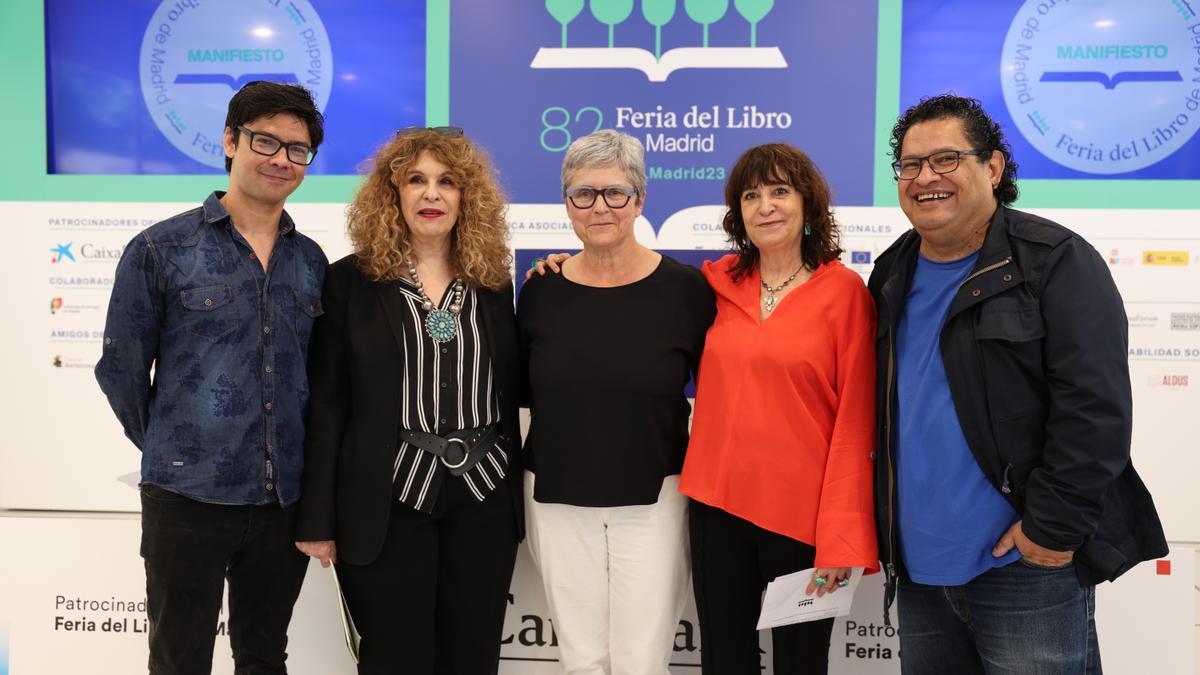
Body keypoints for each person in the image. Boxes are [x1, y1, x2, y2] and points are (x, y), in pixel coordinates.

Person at [870, 93, 1168, 673]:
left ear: (994, 167)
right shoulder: (891, 271)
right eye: (910, 164)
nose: (925, 177)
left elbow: (1096, 413)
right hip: (919, 571)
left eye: (947, 159)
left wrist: (1050, 532)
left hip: (1022, 572)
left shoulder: (1055, 261)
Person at [95, 81, 326, 675]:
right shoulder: (159, 249)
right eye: (265, 141)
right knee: (178, 660)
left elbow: (317, 378)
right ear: (230, 141)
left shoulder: (312, 262)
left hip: (283, 501)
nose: (281, 159)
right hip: (187, 499)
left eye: (297, 149)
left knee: (263, 657)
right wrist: (176, 445)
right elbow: (120, 369)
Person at [293, 128, 522, 675]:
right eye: (416, 180)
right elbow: (327, 403)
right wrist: (318, 517)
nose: (431, 194)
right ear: (391, 193)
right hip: (387, 499)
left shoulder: (493, 282)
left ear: (468, 196)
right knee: (396, 657)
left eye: (447, 182)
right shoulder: (350, 281)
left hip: (483, 496)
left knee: (472, 657)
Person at [517, 129, 715, 675]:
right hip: (556, 498)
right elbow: (522, 391)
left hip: (654, 501)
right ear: (567, 204)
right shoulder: (539, 289)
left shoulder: (686, 290)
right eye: (584, 194)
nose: (599, 206)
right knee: (580, 657)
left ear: (640, 201)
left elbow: (722, 389)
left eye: (615, 193)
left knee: (642, 659)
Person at [679, 143, 878, 674]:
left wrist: (841, 537)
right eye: (751, 194)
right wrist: (562, 268)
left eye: (779, 191)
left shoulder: (845, 294)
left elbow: (856, 424)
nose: (765, 205)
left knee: (801, 665)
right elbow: (634, 297)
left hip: (802, 519)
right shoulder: (714, 286)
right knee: (724, 660)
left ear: (807, 204)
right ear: (738, 213)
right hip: (716, 507)